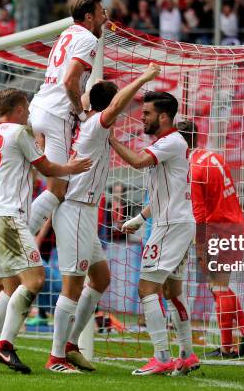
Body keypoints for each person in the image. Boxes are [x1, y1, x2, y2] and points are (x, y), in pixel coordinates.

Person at [0, 88, 91, 374]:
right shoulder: (19, 133)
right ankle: (5, 345)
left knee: (9, 288)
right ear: (21, 109)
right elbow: (46, 167)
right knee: (35, 279)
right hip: (7, 217)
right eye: (28, 109)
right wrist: (71, 166)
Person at [46, 63, 161, 374]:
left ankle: (70, 345)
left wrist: (90, 90)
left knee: (101, 278)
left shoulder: (86, 121)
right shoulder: (97, 124)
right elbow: (113, 104)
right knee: (72, 285)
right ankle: (56, 357)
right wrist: (143, 78)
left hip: (83, 210)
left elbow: (90, 102)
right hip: (76, 209)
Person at [109, 91, 199, 376]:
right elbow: (162, 195)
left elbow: (136, 162)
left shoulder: (170, 142)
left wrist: (109, 138)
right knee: (173, 291)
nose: (142, 117)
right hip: (178, 222)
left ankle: (161, 356)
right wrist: (138, 218)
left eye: (146, 113)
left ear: (163, 116)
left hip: (170, 226)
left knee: (147, 288)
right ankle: (187, 354)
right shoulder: (171, 144)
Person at [27, 0, 107, 237]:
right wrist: (81, 112)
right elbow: (70, 81)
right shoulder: (87, 39)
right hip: (56, 115)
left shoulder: (66, 34)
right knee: (58, 189)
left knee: (50, 181)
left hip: (38, 107)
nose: (106, 17)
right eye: (102, 12)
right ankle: (18, 238)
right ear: (89, 17)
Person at [177, 120, 244, 359]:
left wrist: (201, 247)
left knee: (217, 287)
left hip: (218, 230)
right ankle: (229, 345)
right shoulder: (214, 157)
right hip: (236, 224)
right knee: (219, 287)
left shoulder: (192, 168)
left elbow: (200, 213)